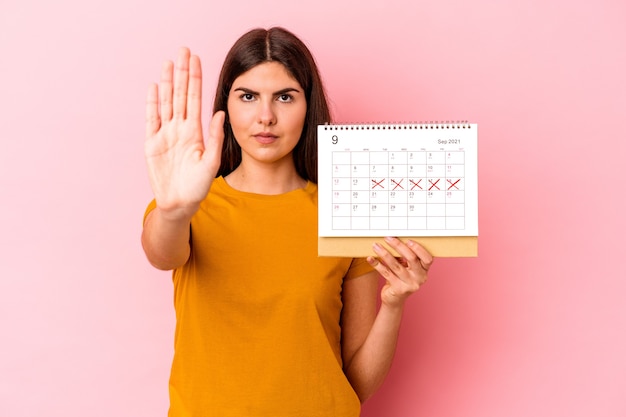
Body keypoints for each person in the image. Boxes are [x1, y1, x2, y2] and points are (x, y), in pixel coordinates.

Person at [142, 27, 433, 417]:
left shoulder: (343, 214)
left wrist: (394, 305)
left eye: (284, 96)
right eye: (248, 96)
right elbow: (161, 253)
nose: (266, 116)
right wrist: (175, 211)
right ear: (225, 107)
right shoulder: (187, 207)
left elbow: (356, 384)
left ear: (307, 105)